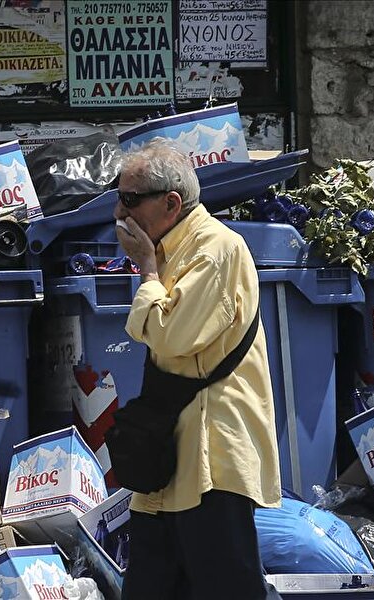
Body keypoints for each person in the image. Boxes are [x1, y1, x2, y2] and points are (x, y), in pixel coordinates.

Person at [113, 139, 282, 599]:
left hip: (211, 458)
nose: (119, 212)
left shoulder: (215, 250)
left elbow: (169, 336)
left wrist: (147, 272)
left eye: (130, 200)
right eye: (119, 196)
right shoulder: (172, 248)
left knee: (224, 585)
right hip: (169, 453)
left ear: (171, 203)